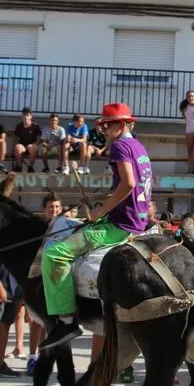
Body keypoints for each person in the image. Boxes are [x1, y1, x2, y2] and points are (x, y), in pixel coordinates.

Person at [39, 103, 153, 349]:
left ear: (122, 124)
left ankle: (67, 321)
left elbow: (129, 184)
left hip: (120, 226)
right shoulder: (139, 146)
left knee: (54, 254)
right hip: (138, 221)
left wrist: (102, 210)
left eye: (107, 125)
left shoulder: (121, 146)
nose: (103, 130)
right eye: (103, 125)